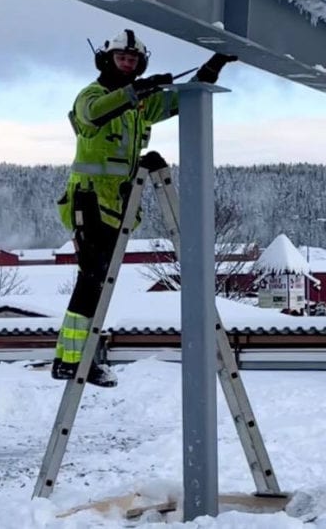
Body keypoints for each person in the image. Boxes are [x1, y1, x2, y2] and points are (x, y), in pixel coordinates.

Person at [52, 29, 236, 387]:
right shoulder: (91, 95)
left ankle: (76, 358)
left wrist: (211, 68)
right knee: (92, 281)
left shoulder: (137, 105)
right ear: (108, 60)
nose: (128, 64)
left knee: (99, 282)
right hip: (90, 201)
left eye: (133, 60)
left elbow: (177, 103)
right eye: (122, 58)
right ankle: (71, 360)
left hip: (116, 203)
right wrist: (137, 90)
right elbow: (93, 115)